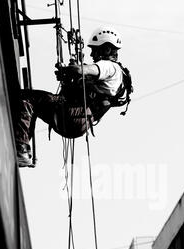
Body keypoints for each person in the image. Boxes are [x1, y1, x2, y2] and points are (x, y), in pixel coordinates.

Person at [14, 26, 125, 167]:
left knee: (27, 98)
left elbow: (80, 70)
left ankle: (21, 150)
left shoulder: (109, 66)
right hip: (78, 122)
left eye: (94, 50)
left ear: (107, 49)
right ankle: (23, 149)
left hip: (71, 115)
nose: (92, 55)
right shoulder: (114, 77)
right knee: (36, 106)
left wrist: (69, 70)